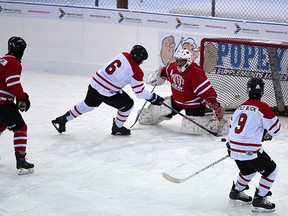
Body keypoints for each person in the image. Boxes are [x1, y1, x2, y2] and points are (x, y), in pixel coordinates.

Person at [52, 45, 164, 136]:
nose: (142, 63)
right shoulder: (136, 71)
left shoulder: (123, 54)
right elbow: (139, 93)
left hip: (95, 83)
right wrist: (154, 98)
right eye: (142, 60)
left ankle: (63, 119)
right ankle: (117, 128)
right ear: (138, 58)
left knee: (87, 105)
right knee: (128, 105)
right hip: (106, 91)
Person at [139, 49, 225, 135]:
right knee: (155, 113)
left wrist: (214, 104)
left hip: (193, 105)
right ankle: (148, 115)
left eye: (182, 61)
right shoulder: (172, 67)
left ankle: (221, 125)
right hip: (176, 101)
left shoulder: (195, 71)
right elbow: (164, 72)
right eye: (178, 60)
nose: (180, 63)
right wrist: (157, 76)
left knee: (191, 129)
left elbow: (206, 90)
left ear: (188, 60)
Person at [227, 77, 281, 212]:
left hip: (233, 148)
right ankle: (260, 197)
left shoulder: (240, 107)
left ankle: (236, 191)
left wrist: (230, 146)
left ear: (248, 90)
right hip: (250, 151)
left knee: (248, 170)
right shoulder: (263, 107)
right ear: (262, 91)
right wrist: (265, 131)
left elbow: (232, 128)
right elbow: (276, 130)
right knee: (271, 171)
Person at [0, 36, 34, 175]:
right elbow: (12, 83)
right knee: (21, 128)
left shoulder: (2, 60)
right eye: (21, 48)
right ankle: (21, 160)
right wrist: (22, 97)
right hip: (3, 104)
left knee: (1, 126)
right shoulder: (14, 62)